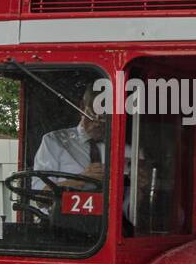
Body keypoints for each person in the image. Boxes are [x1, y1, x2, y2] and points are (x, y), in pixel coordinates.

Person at [31, 83, 144, 223]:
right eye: (93, 113)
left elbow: (131, 214)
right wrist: (81, 180)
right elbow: (40, 198)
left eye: (105, 116)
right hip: (58, 228)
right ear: (82, 107)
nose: (98, 122)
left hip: (111, 230)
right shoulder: (54, 141)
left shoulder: (131, 151)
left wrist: (140, 190)